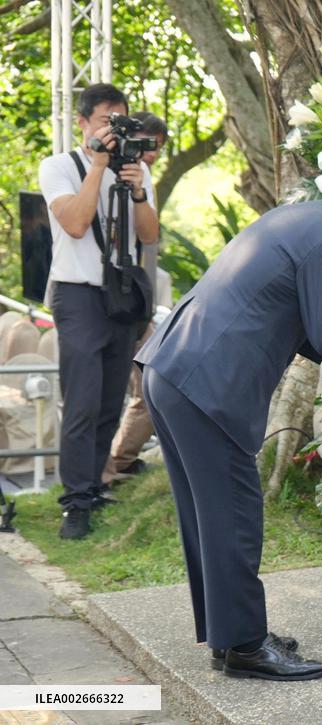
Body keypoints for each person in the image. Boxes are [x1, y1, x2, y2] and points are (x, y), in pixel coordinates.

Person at [136, 175, 322, 681]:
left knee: (210, 518)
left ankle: (232, 637)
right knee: (234, 516)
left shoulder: (307, 217)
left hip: (175, 369)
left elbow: (297, 320)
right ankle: (247, 648)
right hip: (208, 383)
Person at [38, 83, 159, 540]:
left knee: (109, 400)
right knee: (82, 402)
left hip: (121, 295)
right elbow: (75, 222)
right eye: (107, 120)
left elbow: (149, 236)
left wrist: (139, 192)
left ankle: (94, 486)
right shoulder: (59, 166)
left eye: (121, 121)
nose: (115, 130)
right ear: (84, 122)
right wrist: (96, 166)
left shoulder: (134, 168)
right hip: (78, 295)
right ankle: (74, 503)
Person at [103, 111, 170, 484]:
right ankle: (105, 468)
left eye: (156, 147)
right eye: (145, 145)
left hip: (138, 298)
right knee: (110, 388)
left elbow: (149, 236)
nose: (150, 154)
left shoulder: (143, 180)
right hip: (105, 296)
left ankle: (121, 459)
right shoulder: (102, 174)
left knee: (151, 379)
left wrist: (140, 192)